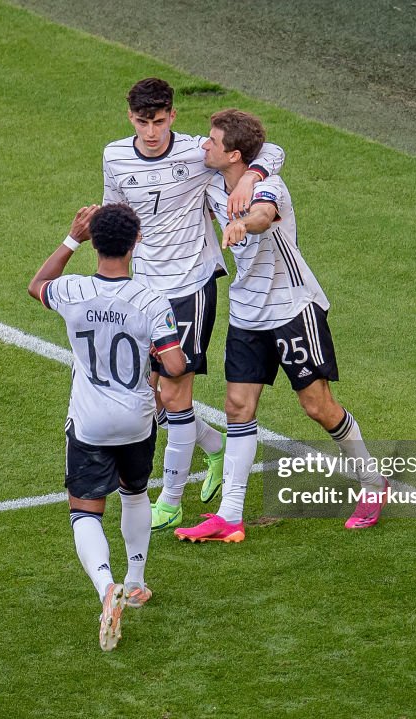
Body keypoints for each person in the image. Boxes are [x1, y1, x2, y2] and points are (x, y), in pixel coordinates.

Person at [174, 109, 389, 543]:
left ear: (233, 153)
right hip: (246, 312)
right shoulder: (218, 176)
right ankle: (230, 516)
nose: (203, 147)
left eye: (212, 143)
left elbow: (263, 215)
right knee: (237, 407)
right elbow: (271, 148)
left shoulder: (269, 186)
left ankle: (373, 481)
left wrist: (241, 220)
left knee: (317, 407)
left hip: (293, 309)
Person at [103, 77, 286, 531]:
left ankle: (171, 497)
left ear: (172, 116)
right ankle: (214, 445)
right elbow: (115, 209)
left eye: (159, 121)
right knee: (145, 393)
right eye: (143, 122)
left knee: (173, 391)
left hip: (190, 286)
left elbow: (271, 150)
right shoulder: (113, 155)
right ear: (130, 117)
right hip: (142, 288)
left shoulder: (195, 152)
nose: (151, 131)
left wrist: (255, 177)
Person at [28, 204, 187, 651]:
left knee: (85, 511)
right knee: (135, 493)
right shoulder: (151, 300)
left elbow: (35, 285)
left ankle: (105, 589)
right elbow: (175, 363)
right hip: (137, 419)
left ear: (95, 242)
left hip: (90, 421)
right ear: (136, 242)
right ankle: (135, 582)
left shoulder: (73, 290)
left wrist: (69, 238)